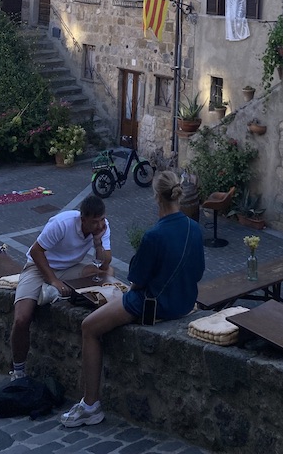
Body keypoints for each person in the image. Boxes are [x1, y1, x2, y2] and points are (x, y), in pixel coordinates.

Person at [61, 170, 205, 428]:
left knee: (89, 327)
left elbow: (137, 281)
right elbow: (198, 272)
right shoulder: (194, 228)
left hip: (153, 305)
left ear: (156, 197)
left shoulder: (154, 235)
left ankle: (90, 405)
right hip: (184, 302)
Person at [10, 194, 112, 379]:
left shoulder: (103, 228)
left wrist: (98, 243)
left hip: (69, 268)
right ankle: (18, 371)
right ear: (83, 219)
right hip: (39, 267)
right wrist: (53, 280)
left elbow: (104, 264)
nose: (99, 225)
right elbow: (36, 251)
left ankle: (54, 293)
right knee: (22, 318)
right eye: (94, 222)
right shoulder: (62, 223)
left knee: (107, 273)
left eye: (102, 219)